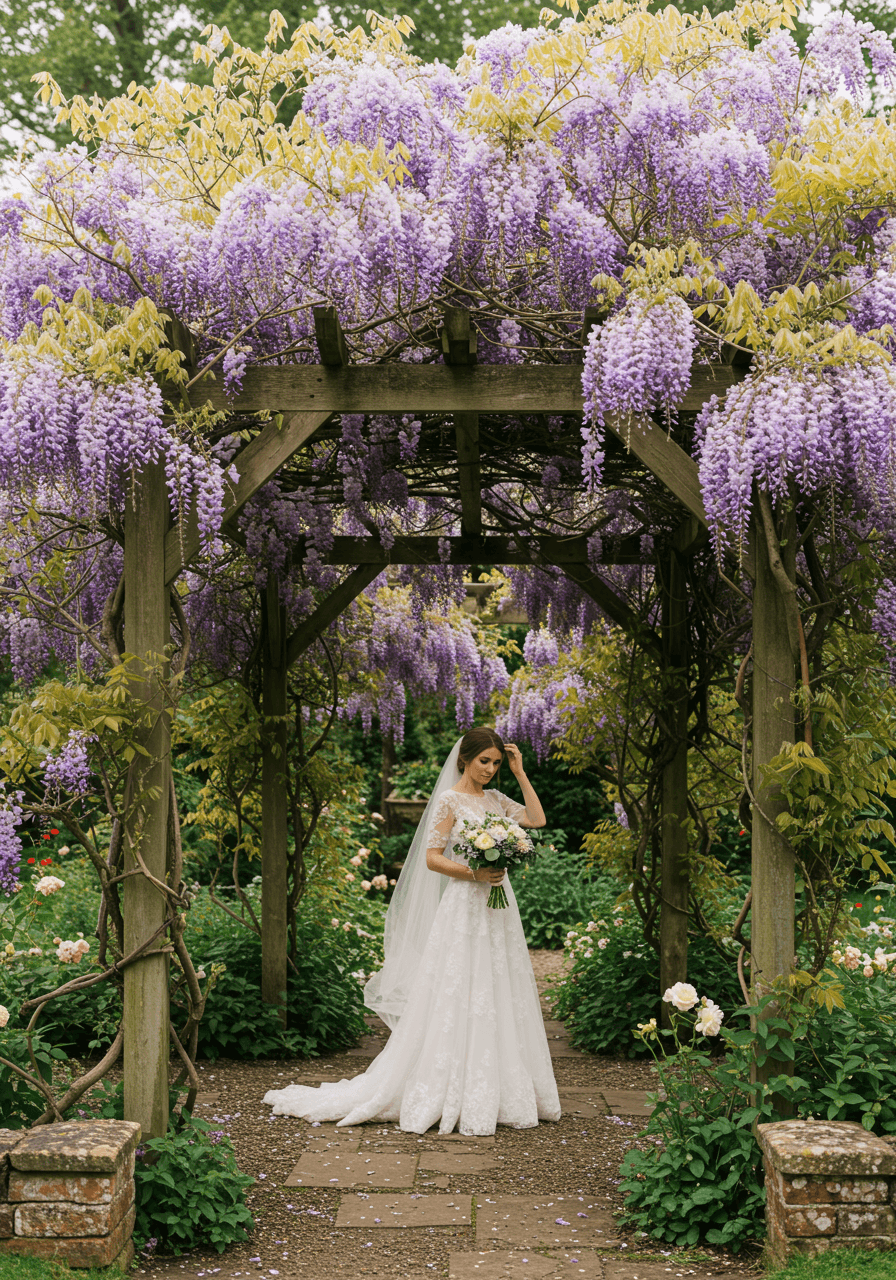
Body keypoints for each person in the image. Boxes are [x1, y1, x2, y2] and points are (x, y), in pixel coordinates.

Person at [263, 727, 561, 1135]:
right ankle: (447, 1084)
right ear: (465, 760)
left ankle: (502, 1086)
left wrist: (520, 772)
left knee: (498, 982)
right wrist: (475, 872)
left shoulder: (495, 799)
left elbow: (538, 820)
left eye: (495, 763)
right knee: (458, 986)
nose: (490, 770)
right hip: (465, 901)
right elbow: (432, 858)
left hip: (498, 904)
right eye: (484, 761)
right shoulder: (449, 800)